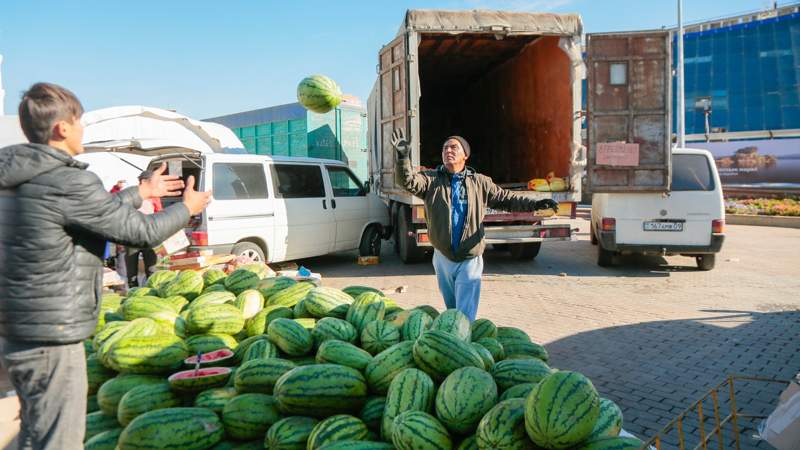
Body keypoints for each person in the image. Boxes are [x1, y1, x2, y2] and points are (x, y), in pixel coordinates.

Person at [0, 82, 212, 449]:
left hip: (16, 327)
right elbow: (141, 232)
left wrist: (140, 192)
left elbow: (85, 213)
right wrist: (187, 208)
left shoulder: (17, 178)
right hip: (52, 333)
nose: (82, 130)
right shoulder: (66, 180)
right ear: (62, 128)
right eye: (78, 122)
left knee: (35, 427)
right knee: (58, 437)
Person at [392, 129, 558, 322]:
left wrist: (536, 204)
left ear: (465, 155)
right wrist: (403, 158)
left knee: (464, 315)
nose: (448, 151)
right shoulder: (431, 180)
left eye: (454, 147)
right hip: (442, 257)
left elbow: (507, 199)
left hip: (469, 257)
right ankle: (455, 337)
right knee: (452, 308)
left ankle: (464, 343)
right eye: (445, 148)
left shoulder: (480, 183)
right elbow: (408, 182)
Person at [124, 169, 164, 287]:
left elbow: (159, 213)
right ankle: (133, 291)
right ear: (143, 181)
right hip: (132, 236)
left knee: (151, 269)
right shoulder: (131, 194)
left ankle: (151, 290)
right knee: (131, 271)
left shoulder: (154, 196)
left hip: (149, 236)